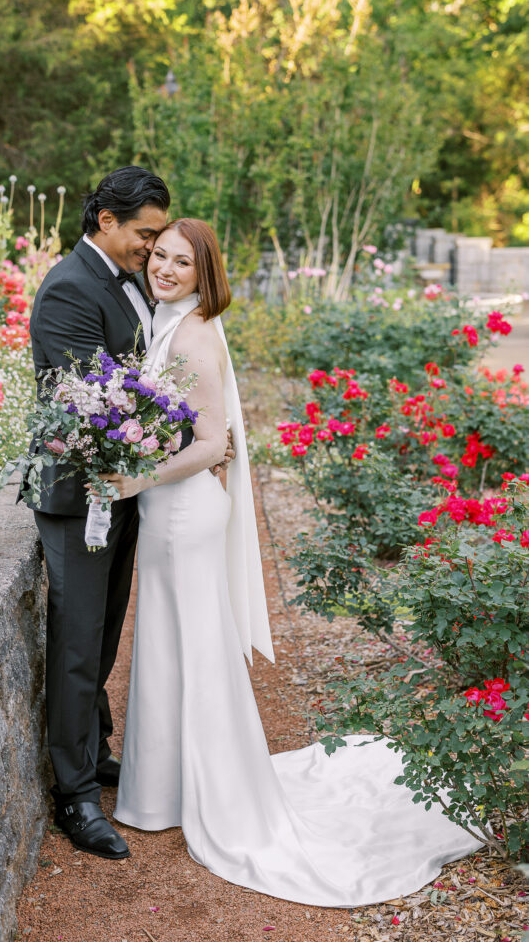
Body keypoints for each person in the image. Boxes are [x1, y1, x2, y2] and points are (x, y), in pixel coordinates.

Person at [103, 218, 482, 906]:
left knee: (197, 649)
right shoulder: (166, 322)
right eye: (158, 256)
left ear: (202, 274)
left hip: (183, 512)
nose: (163, 269)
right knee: (165, 647)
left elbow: (212, 442)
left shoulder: (190, 334)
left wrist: (134, 478)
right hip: (169, 512)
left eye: (179, 263)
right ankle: (162, 793)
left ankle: (214, 795)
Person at [24, 166, 170, 861]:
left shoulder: (130, 280)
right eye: (144, 233)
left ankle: (91, 749)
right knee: (78, 644)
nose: (153, 246)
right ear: (105, 220)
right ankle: (74, 797)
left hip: (125, 487)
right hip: (80, 491)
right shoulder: (68, 289)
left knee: (104, 634)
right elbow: (91, 403)